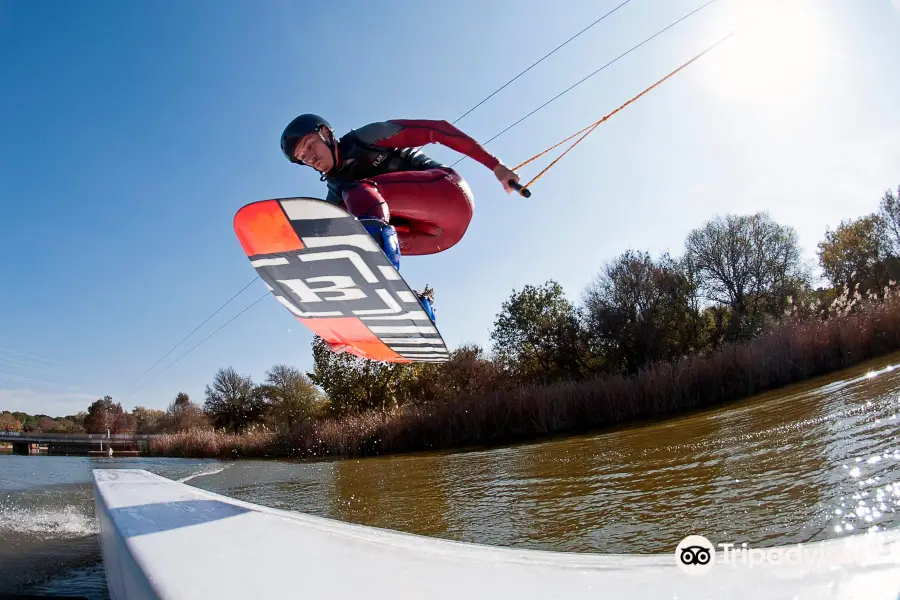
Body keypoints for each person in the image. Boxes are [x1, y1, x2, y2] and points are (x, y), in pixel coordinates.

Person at [279, 114, 522, 322]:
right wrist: (345, 326)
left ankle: (382, 285)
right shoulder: (335, 192)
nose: (309, 157)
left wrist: (496, 166)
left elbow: (436, 130)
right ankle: (414, 304)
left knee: (353, 191)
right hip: (435, 237)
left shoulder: (366, 139)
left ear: (325, 133)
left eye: (310, 146)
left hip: (448, 194)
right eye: (302, 157)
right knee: (346, 237)